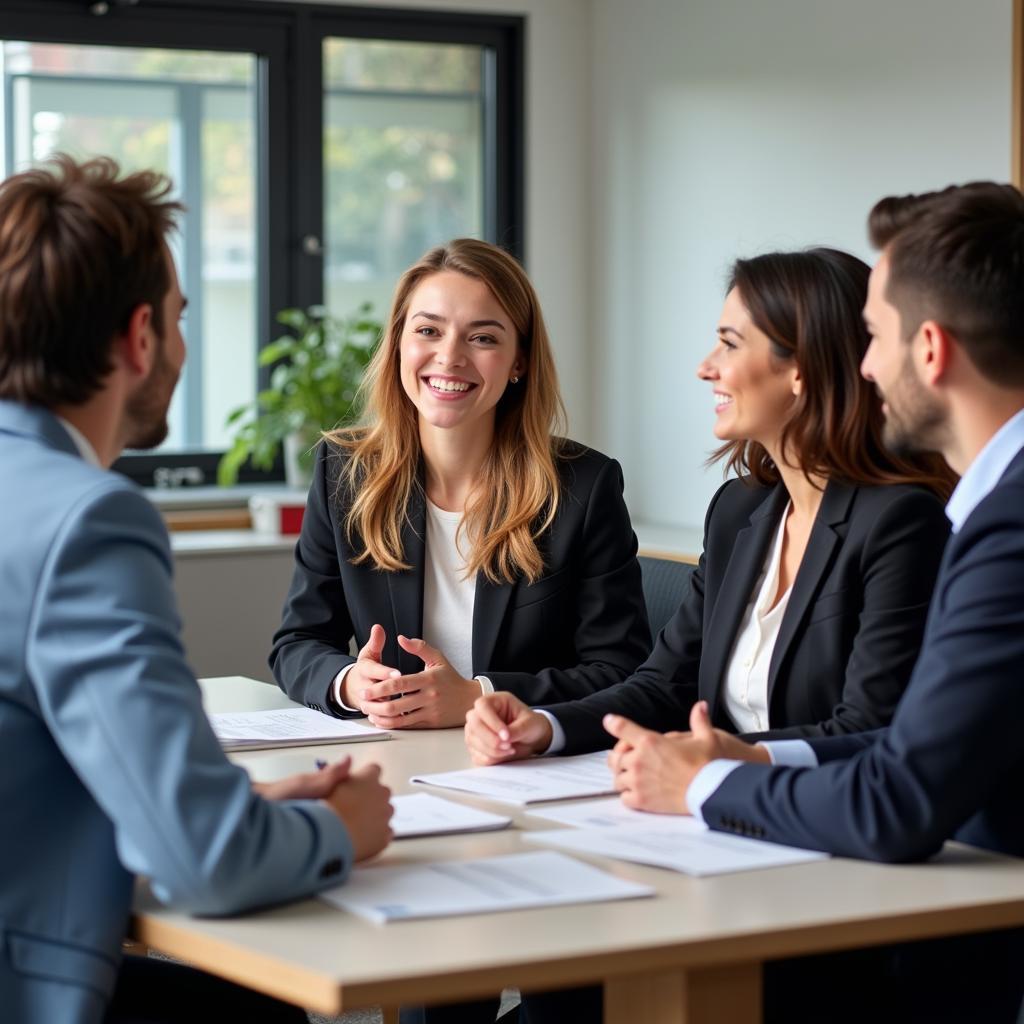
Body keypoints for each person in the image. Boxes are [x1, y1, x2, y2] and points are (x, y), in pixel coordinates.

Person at [603, 182, 1024, 1023]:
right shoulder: (991, 506)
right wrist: (743, 763)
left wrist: (707, 783)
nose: (865, 366)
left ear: (931, 350)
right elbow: (906, 747)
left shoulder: (1000, 524)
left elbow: (899, 799)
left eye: (875, 338)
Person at [0, 155, 393, 1024]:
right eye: (180, 319)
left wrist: (237, 808)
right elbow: (207, 861)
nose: (181, 341)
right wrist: (341, 829)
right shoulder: (86, 521)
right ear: (140, 338)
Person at [464, 247, 952, 772]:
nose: (705, 368)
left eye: (729, 344)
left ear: (802, 368)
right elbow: (665, 684)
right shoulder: (739, 510)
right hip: (719, 821)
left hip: (820, 819)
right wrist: (546, 725)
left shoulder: (901, 522)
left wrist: (730, 761)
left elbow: (870, 727)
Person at [270, 238, 650, 733]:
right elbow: (297, 643)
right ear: (399, 343)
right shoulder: (345, 471)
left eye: (483, 338)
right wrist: (351, 683)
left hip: (520, 761)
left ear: (519, 362)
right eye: (428, 330)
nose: (449, 357)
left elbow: (620, 670)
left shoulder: (582, 486)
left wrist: (477, 697)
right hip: (397, 755)